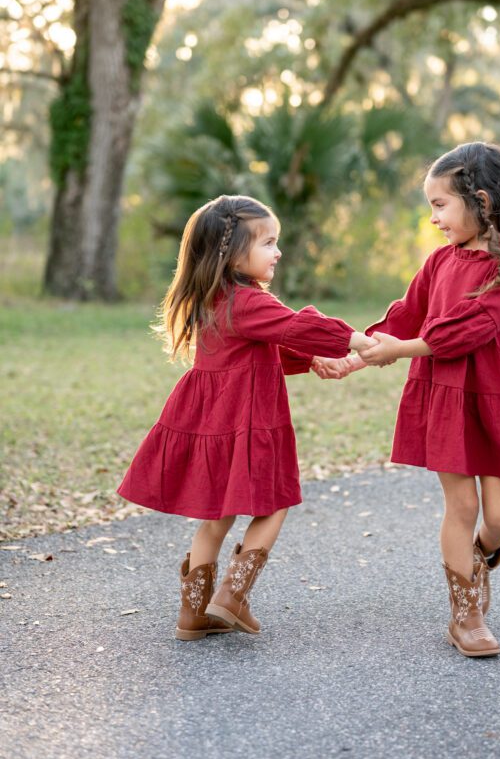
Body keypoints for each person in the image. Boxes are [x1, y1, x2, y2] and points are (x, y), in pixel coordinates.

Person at [117, 194, 375, 641]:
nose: (278, 252)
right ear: (233, 252)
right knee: (275, 502)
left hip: (212, 422)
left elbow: (263, 346)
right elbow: (294, 326)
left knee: (216, 518)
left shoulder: (215, 299)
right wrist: (355, 340)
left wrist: (312, 360)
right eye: (269, 243)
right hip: (249, 423)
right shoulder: (248, 301)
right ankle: (233, 596)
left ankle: (193, 614)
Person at [359, 142, 500, 657]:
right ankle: (465, 614)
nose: (433, 219)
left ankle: (478, 558)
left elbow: (469, 330)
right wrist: (357, 352)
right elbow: (406, 315)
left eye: (439, 205)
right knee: (462, 503)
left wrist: (400, 350)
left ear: (482, 201)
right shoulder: (438, 264)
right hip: (446, 395)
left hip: (497, 398)